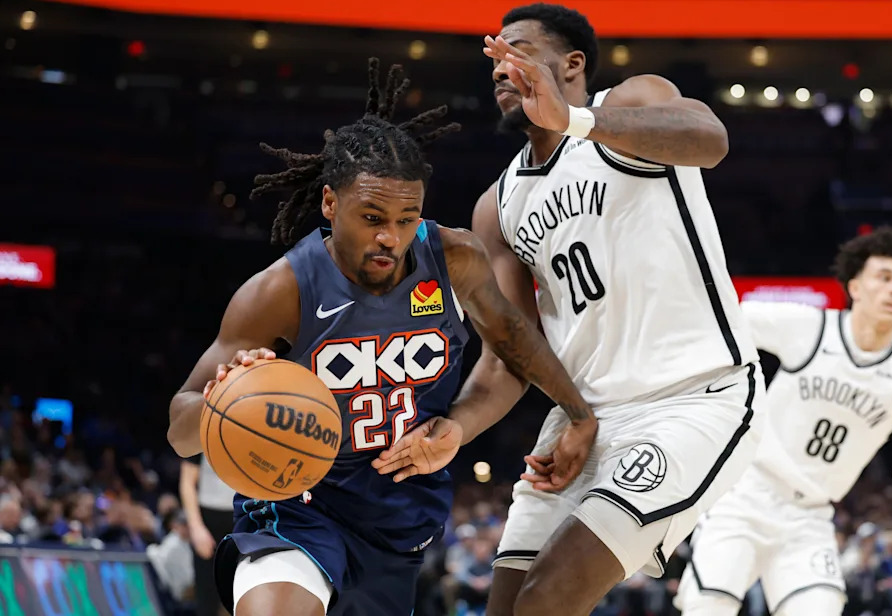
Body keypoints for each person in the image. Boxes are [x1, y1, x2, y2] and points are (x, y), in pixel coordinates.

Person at [166, 58, 597, 616]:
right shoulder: (279, 292)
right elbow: (180, 430)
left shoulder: (455, 257)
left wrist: (543, 417)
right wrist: (219, 404)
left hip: (400, 522)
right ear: (329, 203)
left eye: (407, 217)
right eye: (371, 217)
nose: (390, 237)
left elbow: (515, 349)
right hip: (298, 510)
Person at [374, 3, 765, 616]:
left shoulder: (633, 102)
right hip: (580, 421)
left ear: (572, 63)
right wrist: (457, 429)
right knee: (505, 609)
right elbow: (510, 353)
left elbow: (711, 141)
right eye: (493, 61)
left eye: (518, 53)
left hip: (690, 400)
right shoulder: (497, 206)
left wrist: (579, 120)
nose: (501, 70)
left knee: (550, 599)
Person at [675, 227, 892, 616]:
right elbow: (721, 316)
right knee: (707, 607)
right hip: (744, 496)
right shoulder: (810, 327)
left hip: (810, 517)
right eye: (885, 278)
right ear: (855, 286)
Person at [180, 455, 234, 616]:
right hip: (208, 526)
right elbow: (187, 481)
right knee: (207, 601)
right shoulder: (201, 432)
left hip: (246, 520)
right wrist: (196, 527)